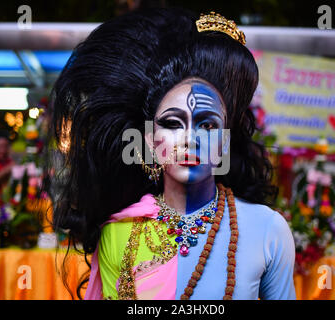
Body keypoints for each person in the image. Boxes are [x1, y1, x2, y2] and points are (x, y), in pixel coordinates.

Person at [49, 8, 296, 300]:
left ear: (225, 143)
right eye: (172, 123)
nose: (189, 139)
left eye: (207, 124)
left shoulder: (267, 229)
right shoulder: (119, 233)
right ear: (151, 141)